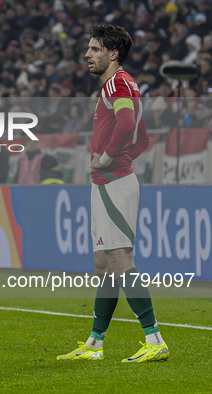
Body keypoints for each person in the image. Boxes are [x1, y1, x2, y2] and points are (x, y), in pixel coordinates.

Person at [57, 25, 167, 363]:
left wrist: (107, 159)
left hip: (113, 183)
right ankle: (94, 344)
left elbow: (125, 123)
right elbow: (143, 136)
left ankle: (154, 338)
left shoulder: (118, 83)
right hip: (112, 180)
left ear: (113, 54)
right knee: (104, 264)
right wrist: (119, 160)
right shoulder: (124, 84)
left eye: (94, 49)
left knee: (119, 261)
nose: (87, 55)